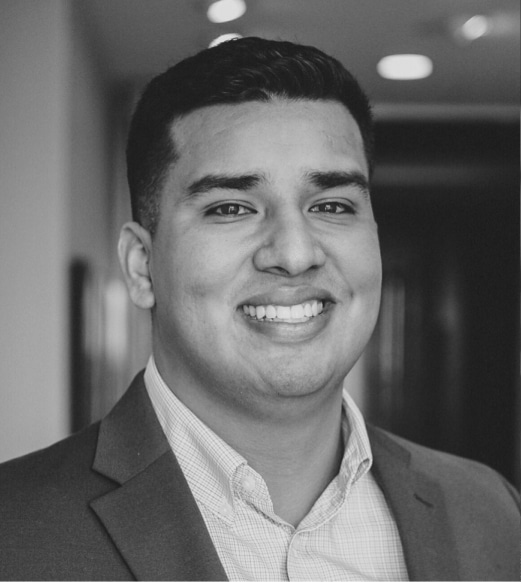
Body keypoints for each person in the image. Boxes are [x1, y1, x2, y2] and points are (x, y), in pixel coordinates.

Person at [0, 37, 518, 582]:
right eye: (232, 208)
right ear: (140, 265)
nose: (295, 255)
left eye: (333, 205)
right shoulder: (14, 535)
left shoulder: (491, 514)